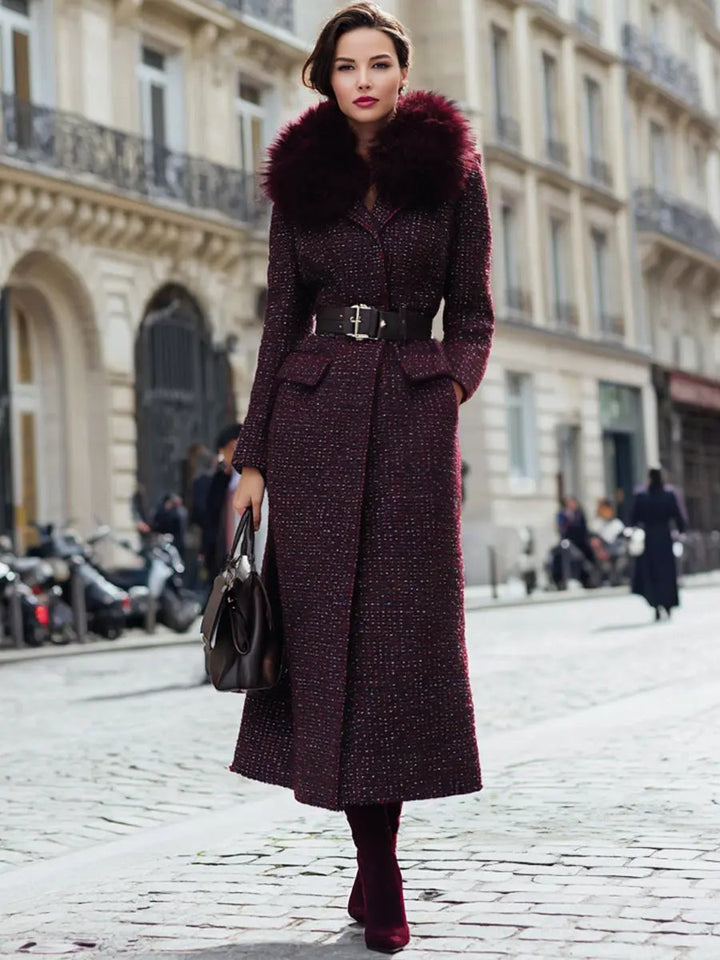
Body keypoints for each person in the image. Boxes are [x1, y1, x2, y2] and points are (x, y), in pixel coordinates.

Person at [229, 3, 494, 953]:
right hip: (315, 423)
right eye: (347, 67)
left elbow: (473, 313)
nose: (364, 81)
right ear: (326, 78)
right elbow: (278, 322)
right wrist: (253, 455)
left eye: (379, 64)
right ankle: (379, 869)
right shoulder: (300, 182)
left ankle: (377, 851)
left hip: (414, 426)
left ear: (402, 72)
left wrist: (447, 387)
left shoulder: (454, 173)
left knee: (399, 650)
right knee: (331, 646)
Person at [630, 467, 686, 621]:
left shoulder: (642, 496)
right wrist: (681, 531)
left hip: (649, 539)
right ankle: (667, 604)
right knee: (666, 573)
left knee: (652, 573)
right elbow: (678, 516)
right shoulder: (669, 495)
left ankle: (656, 605)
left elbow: (634, 518)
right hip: (664, 539)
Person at [202, 424, 243, 584]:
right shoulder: (221, 481)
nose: (223, 458)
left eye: (224, 452)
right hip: (224, 556)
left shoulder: (253, 481)